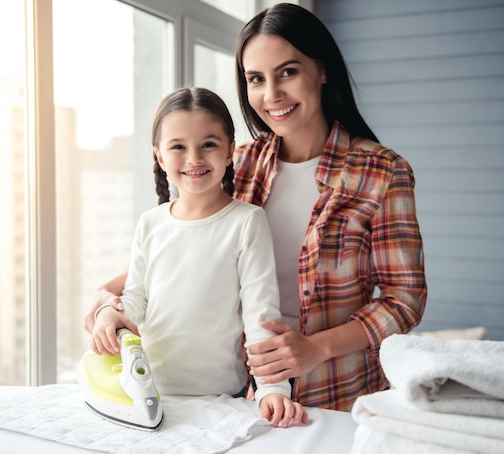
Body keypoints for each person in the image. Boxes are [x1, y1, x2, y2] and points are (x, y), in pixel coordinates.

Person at [85, 3, 427, 412]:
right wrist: (109, 295)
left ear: (322, 70)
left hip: (339, 389)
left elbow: (404, 299)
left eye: (288, 72)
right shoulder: (239, 161)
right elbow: (185, 248)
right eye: (256, 79)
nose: (272, 95)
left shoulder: (381, 171)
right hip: (244, 392)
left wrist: (313, 349)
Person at [90, 86, 308, 428]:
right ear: (161, 157)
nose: (194, 159)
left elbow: (261, 315)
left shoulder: (247, 221)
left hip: (222, 398)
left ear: (229, 152)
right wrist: (111, 315)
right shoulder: (150, 223)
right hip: (150, 392)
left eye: (208, 144)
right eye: (178, 147)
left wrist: (271, 389)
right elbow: (135, 298)